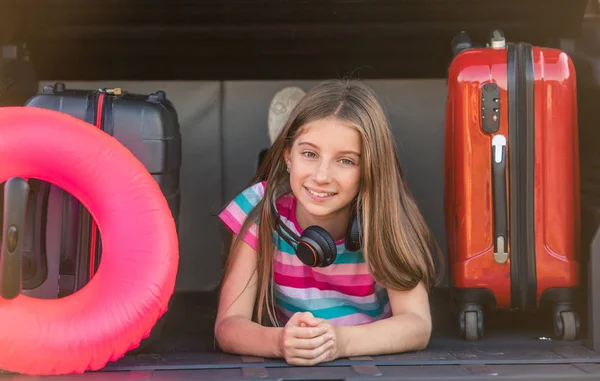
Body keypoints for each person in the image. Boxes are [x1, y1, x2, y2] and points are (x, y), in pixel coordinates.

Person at [215, 79, 443, 366]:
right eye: (309, 154)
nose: (322, 176)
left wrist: (339, 341)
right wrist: (279, 341)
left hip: (368, 355)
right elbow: (228, 326)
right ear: (288, 156)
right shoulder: (260, 211)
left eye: (345, 161)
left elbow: (417, 325)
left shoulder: (383, 213)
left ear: (369, 169)